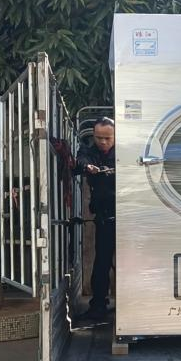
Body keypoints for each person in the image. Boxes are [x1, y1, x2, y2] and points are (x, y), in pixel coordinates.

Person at [76, 117, 115, 320]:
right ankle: (98, 305)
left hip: (128, 216)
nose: (103, 142)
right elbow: (80, 161)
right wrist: (88, 167)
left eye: (107, 138)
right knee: (101, 262)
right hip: (104, 215)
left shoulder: (124, 152)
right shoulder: (89, 152)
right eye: (99, 138)